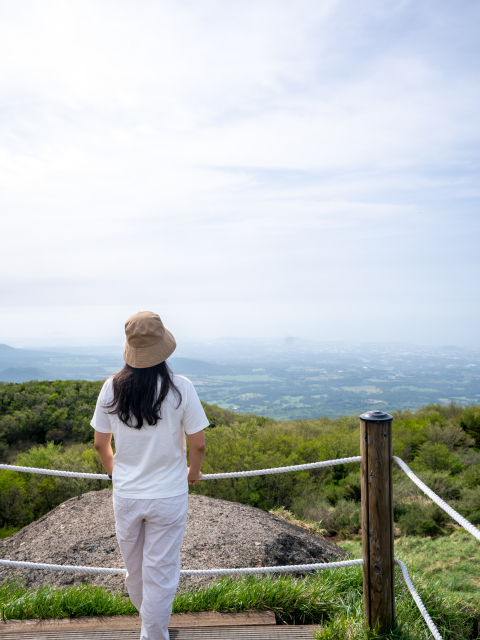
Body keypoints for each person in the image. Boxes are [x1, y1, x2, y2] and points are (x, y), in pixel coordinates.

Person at [91, 311, 209, 640]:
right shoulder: (181, 388)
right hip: (169, 494)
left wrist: (118, 474)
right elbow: (198, 445)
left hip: (127, 495)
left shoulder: (111, 388)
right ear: (163, 347)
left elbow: (101, 444)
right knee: (160, 571)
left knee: (135, 571)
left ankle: (150, 627)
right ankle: (153, 634)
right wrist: (193, 474)